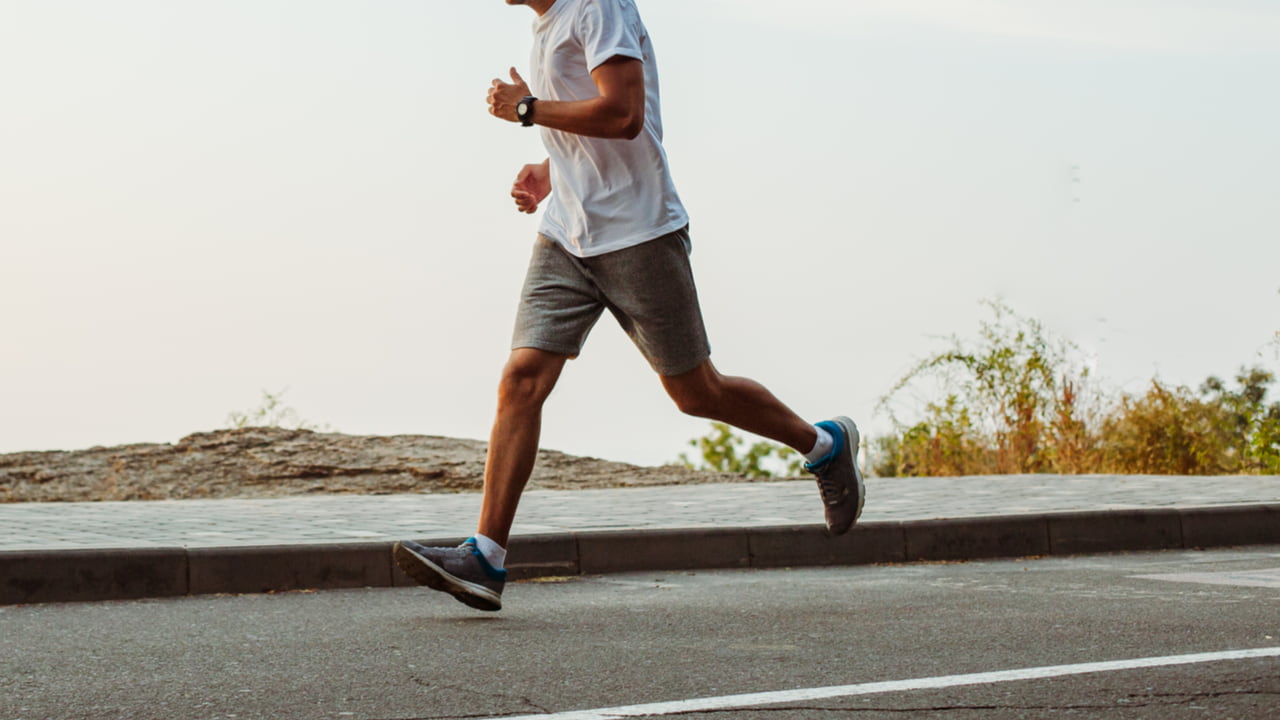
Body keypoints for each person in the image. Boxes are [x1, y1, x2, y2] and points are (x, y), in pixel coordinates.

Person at [394, 0, 863, 612]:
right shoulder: (545, 24)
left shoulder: (598, 6)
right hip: (567, 234)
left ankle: (824, 445)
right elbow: (586, 125)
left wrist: (527, 109)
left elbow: (624, 114)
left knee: (697, 393)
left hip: (638, 234)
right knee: (522, 380)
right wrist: (549, 167)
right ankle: (486, 556)